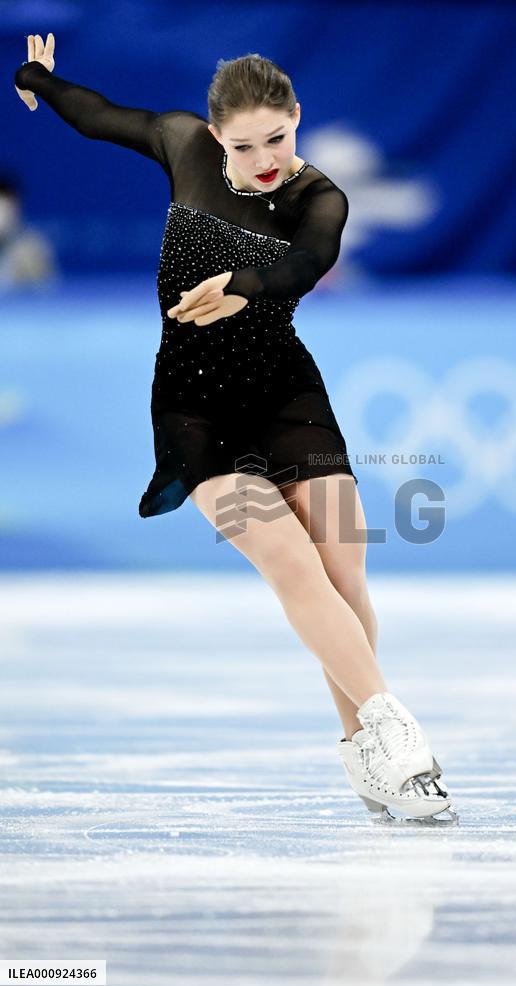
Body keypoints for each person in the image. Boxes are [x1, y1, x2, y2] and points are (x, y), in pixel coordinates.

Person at [14, 33, 456, 822]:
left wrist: (244, 285)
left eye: (277, 139)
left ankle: (365, 757)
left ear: (296, 119)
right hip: (196, 410)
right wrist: (43, 81)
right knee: (289, 562)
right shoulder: (183, 143)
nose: (263, 159)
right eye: (244, 144)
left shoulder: (320, 195)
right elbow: (101, 116)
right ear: (216, 135)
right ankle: (394, 727)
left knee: (344, 574)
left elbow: (306, 263)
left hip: (288, 396)